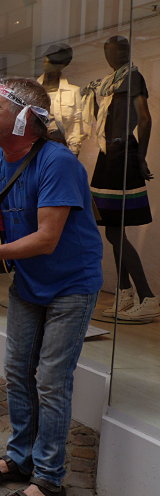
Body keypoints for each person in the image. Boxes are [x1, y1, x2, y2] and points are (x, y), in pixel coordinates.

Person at [0, 78, 103, 496]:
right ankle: (20, 459)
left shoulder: (58, 163)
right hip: (30, 283)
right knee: (17, 372)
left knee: (51, 381)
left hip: (71, 285)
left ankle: (50, 479)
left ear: (22, 118)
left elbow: (47, 239)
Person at [83, 36, 157, 321]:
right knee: (114, 230)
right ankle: (125, 292)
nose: (115, 55)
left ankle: (148, 296)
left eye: (121, 50)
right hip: (110, 155)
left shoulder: (133, 77)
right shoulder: (110, 83)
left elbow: (145, 118)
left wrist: (140, 157)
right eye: (111, 50)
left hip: (122, 154)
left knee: (115, 231)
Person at [36, 43, 85, 156]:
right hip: (34, 144)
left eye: (52, 61)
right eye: (46, 59)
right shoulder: (33, 89)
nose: (46, 63)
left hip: (58, 145)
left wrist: (74, 151)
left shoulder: (73, 92)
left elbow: (75, 125)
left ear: (62, 65)